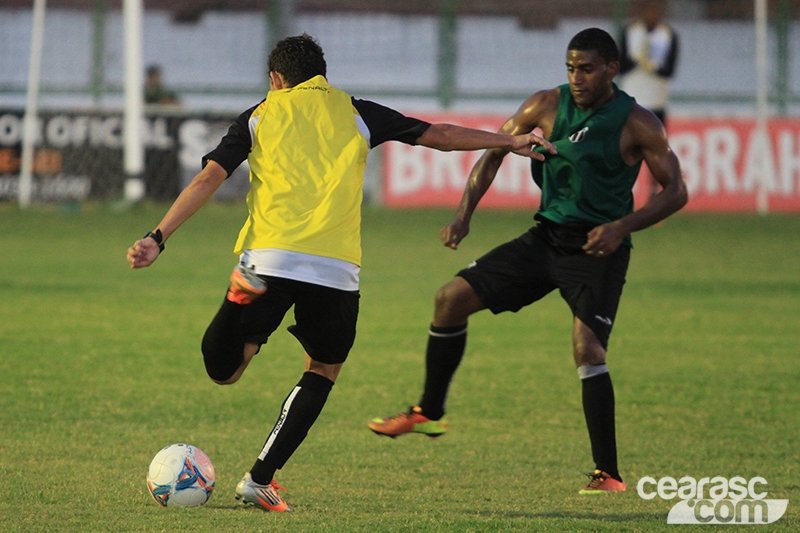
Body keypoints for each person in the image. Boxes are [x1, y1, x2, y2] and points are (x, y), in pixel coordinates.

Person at [127, 34, 553, 513]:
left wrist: (157, 237)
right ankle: (259, 479)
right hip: (334, 267)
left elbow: (209, 177)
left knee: (226, 370)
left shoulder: (260, 115)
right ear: (322, 76)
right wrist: (512, 139)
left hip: (269, 258)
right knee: (324, 367)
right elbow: (440, 135)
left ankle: (236, 299)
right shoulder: (356, 111)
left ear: (275, 79)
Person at [369, 28, 688, 495]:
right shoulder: (544, 104)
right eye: (571, 68)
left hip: (600, 249)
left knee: (588, 350)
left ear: (612, 70)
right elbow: (494, 152)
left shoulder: (638, 122)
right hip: (545, 239)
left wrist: (622, 227)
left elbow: (677, 191)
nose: (577, 77)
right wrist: (463, 216)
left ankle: (609, 474)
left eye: (587, 69)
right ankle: (429, 414)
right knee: (449, 299)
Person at [619, 0, 679, 201]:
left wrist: (653, 65)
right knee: (626, 148)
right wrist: (638, 59)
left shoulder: (668, 35)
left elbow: (670, 70)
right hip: (632, 100)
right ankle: (620, 193)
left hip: (657, 101)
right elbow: (621, 65)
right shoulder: (629, 31)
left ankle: (654, 195)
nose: (652, 14)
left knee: (657, 152)